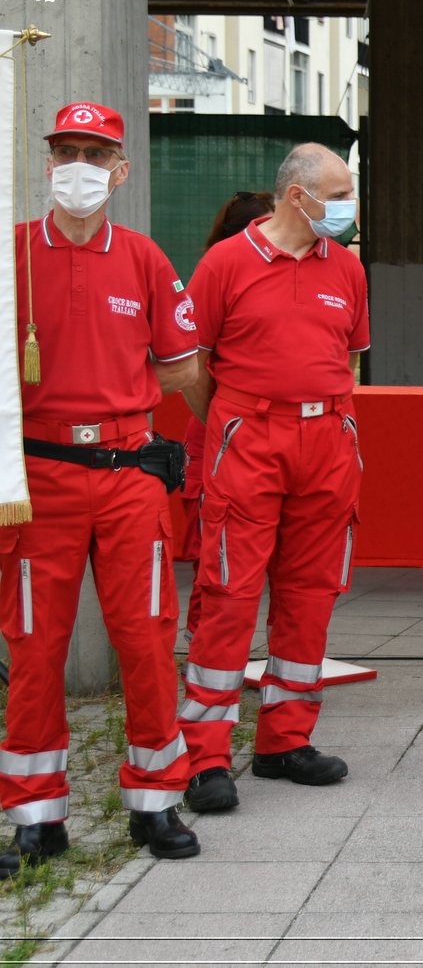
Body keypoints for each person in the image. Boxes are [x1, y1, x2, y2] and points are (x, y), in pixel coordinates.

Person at [1, 101, 202, 871]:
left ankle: (155, 803)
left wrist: (203, 447)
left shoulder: (145, 260)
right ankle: (36, 814)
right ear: (46, 162)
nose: (77, 166)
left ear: (120, 170)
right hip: (38, 480)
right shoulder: (10, 253)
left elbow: (183, 367)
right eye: (64, 151)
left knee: (146, 642)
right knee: (34, 646)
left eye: (94, 152)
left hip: (127, 476)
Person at [178, 145, 368, 812]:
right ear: (297, 196)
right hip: (249, 438)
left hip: (327, 439)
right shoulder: (226, 263)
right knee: (228, 594)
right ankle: (204, 756)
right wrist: (237, 421)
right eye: (339, 193)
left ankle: (284, 739)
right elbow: (191, 365)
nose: (349, 206)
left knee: (311, 592)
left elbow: (345, 355)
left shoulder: (346, 268)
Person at [176, 191, 275, 639]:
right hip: (220, 441)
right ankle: (206, 658)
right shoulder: (221, 269)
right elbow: (191, 367)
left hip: (271, 441)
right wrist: (226, 420)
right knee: (216, 566)